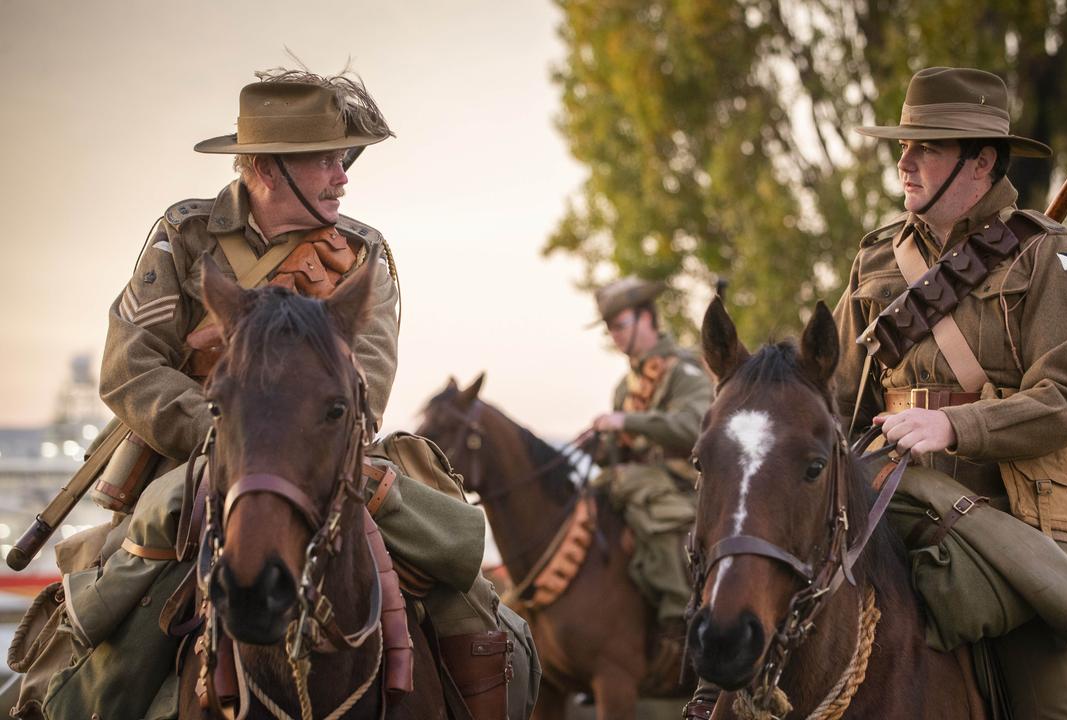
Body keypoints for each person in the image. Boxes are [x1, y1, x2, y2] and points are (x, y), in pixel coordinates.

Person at [9, 69, 534, 720]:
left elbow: (365, 382)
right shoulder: (187, 234)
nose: (344, 176)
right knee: (120, 624)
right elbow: (130, 368)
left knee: (466, 597)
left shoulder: (364, 254)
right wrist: (228, 430)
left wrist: (290, 432)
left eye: (344, 159)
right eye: (327, 160)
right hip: (200, 456)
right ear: (266, 167)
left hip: (322, 454)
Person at [830, 66, 1067, 718]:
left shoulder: (1051, 258)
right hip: (894, 504)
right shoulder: (876, 260)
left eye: (926, 145)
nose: (905, 160)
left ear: (981, 161)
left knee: (1045, 696)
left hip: (1016, 517)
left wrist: (955, 428)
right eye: (903, 145)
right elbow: (840, 400)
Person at [589, 277, 712, 675]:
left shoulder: (684, 370)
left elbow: (695, 425)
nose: (616, 335)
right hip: (639, 484)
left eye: (621, 323)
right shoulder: (625, 385)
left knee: (643, 502)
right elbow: (619, 455)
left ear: (647, 319)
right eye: (610, 328)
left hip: (685, 485)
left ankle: (680, 622)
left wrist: (629, 419)